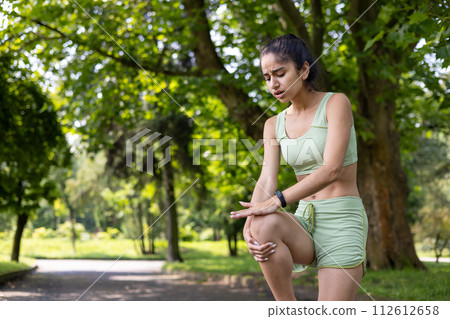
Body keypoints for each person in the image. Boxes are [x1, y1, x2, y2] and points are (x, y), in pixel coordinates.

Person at [230, 34, 368, 301]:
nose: (273, 84)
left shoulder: (336, 103)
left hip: (342, 219)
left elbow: (332, 170)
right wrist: (250, 224)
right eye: (267, 77)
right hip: (304, 220)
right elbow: (266, 180)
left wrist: (277, 201)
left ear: (304, 69)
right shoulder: (273, 124)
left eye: (280, 73)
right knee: (263, 222)